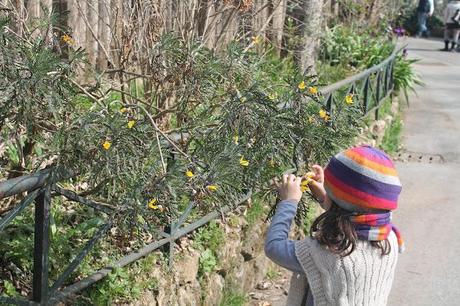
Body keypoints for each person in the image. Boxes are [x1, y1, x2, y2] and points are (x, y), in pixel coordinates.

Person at [265, 145, 404, 305]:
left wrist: (289, 201)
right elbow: (355, 214)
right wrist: (328, 196)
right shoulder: (390, 239)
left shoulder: (327, 253)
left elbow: (274, 247)